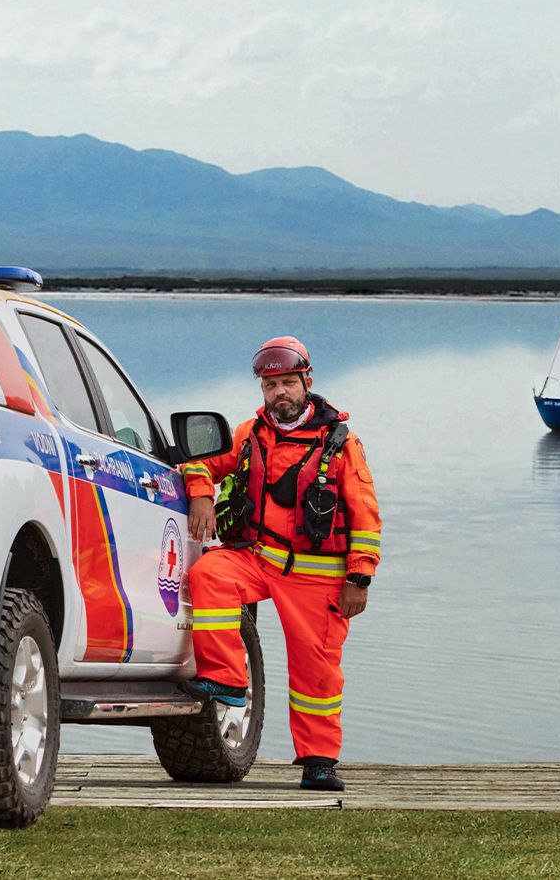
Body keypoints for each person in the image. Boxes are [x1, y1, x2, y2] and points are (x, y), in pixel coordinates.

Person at [178, 336, 382, 792]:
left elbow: (366, 516)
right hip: (258, 558)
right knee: (208, 573)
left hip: (319, 576)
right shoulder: (249, 434)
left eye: (288, 382)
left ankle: (319, 761)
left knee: (316, 673)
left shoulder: (342, 444)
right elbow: (199, 465)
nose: (279, 394)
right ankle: (227, 680)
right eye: (271, 386)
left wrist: (360, 577)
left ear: (307, 381)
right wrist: (200, 497)